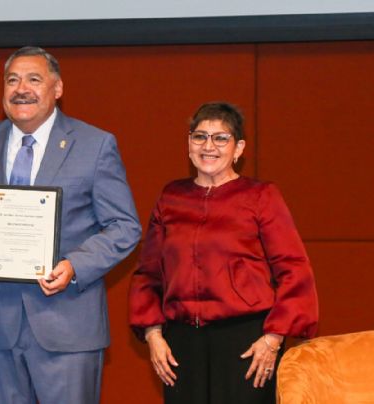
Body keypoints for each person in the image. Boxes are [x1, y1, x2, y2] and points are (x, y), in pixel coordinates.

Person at [0, 46, 141, 403]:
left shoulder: (95, 145)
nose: (22, 89)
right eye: (12, 80)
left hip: (68, 331)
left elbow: (124, 226)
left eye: (34, 79)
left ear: (58, 88)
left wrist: (75, 266)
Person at [128, 102, 318, 404]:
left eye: (220, 138)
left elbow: (294, 269)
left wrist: (273, 339)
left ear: (238, 148)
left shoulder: (261, 196)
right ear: (189, 144)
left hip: (246, 344)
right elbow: (149, 273)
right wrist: (153, 335)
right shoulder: (171, 197)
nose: (208, 146)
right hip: (180, 345)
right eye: (200, 136)